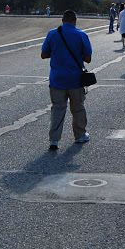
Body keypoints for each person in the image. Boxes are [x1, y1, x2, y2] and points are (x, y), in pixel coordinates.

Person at [40, 9, 92, 150]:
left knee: (57, 109)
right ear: (75, 21)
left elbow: (44, 54)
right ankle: (80, 135)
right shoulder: (82, 35)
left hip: (57, 79)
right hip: (75, 79)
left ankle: (54, 140)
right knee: (78, 108)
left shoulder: (52, 34)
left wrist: (57, 52)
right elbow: (88, 58)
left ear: (62, 20)